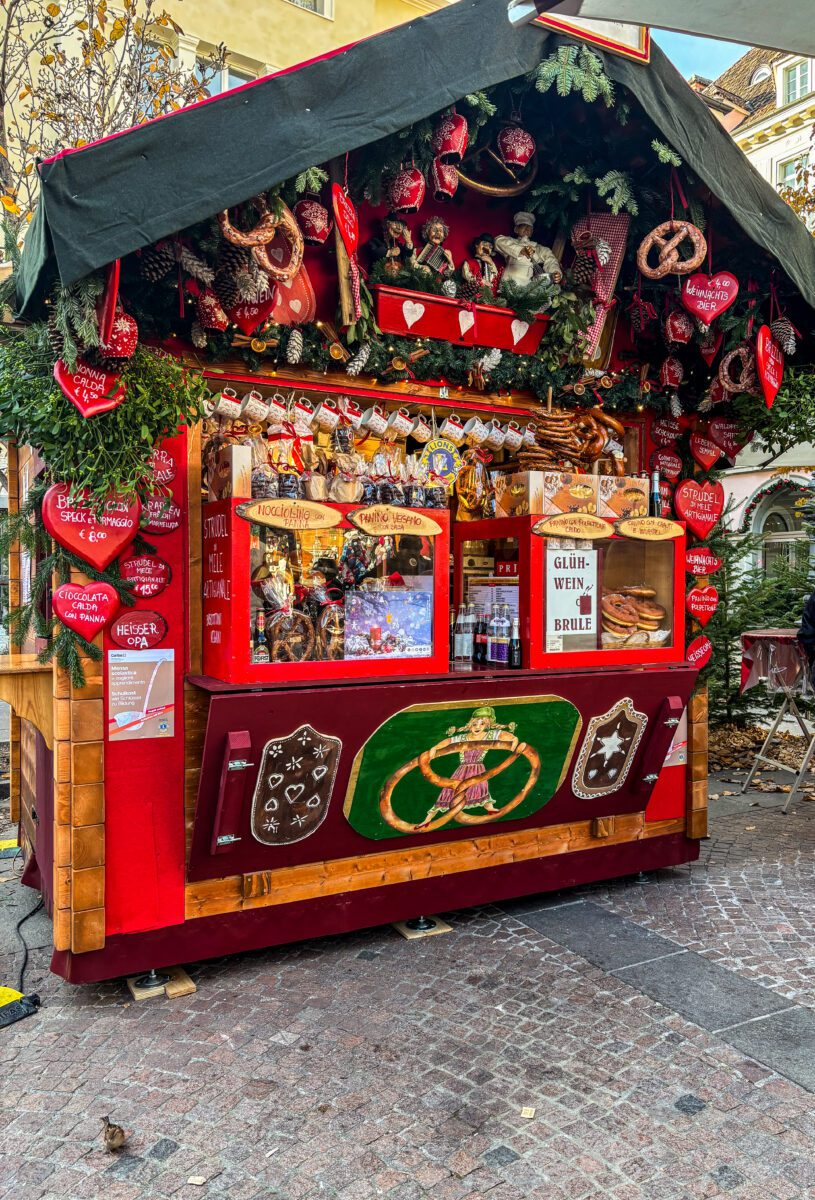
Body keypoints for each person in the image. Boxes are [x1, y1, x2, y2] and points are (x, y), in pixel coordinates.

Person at [417, 705, 519, 828]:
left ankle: (490, 808)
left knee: (481, 788)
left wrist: (514, 740)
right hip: (462, 769)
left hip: (478, 769)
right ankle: (427, 819)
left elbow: (504, 735)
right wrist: (435, 748)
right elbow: (448, 741)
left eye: (482, 724)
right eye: (475, 724)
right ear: (470, 724)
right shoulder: (463, 737)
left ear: (487, 725)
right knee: (448, 793)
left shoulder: (489, 735)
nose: (478, 727)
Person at [495, 211, 562, 290]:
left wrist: (555, 271)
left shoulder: (537, 247)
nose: (527, 229)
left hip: (526, 286)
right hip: (508, 283)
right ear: (516, 229)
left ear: (532, 232)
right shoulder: (510, 242)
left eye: (530, 228)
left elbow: (550, 258)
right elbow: (498, 241)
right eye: (524, 226)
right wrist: (520, 250)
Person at [461, 233, 501, 298]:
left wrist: (491, 264)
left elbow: (495, 278)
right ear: (477, 244)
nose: (487, 248)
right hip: (473, 295)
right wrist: (481, 282)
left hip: (489, 297)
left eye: (490, 246)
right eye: (484, 244)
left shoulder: (491, 265)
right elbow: (468, 276)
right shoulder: (469, 263)